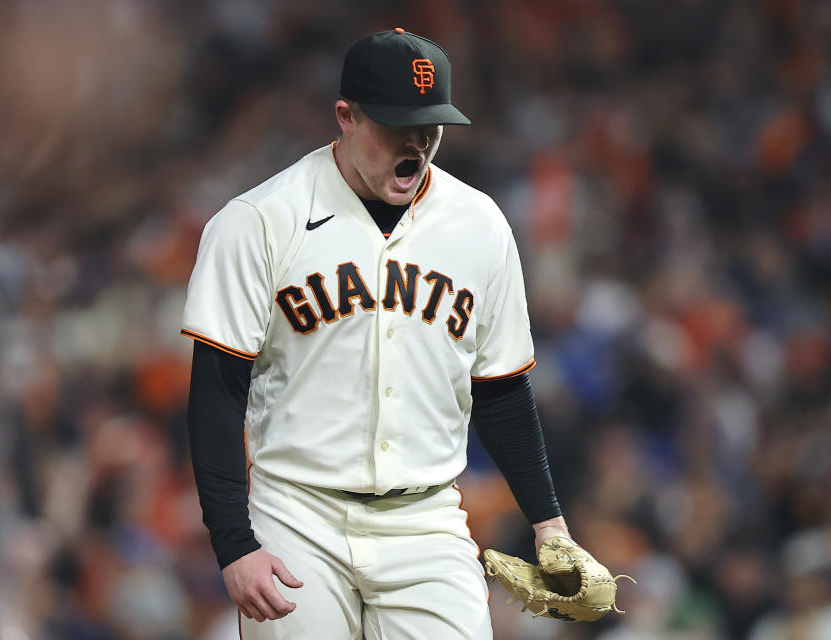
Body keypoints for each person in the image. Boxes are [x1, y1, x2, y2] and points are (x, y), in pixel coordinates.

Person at [182, 28, 571, 638]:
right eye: (397, 126)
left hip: (427, 518)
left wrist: (549, 525)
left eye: (430, 128)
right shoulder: (260, 221)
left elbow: (500, 390)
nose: (416, 144)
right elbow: (216, 394)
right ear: (347, 117)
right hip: (298, 511)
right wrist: (234, 544)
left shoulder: (481, 225)